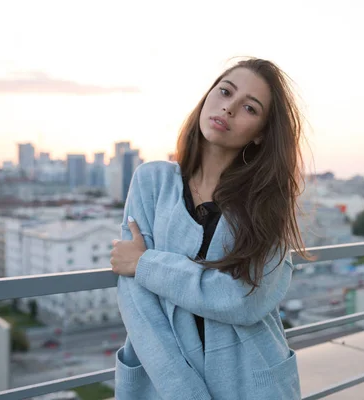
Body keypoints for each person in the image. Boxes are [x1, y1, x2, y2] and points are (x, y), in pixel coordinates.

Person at [110, 57, 311, 400]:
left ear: (262, 133)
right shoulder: (152, 181)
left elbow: (244, 300)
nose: (228, 108)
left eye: (249, 107)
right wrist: (184, 392)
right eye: (224, 91)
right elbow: (137, 301)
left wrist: (145, 265)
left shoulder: (268, 202)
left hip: (250, 382)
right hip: (160, 383)